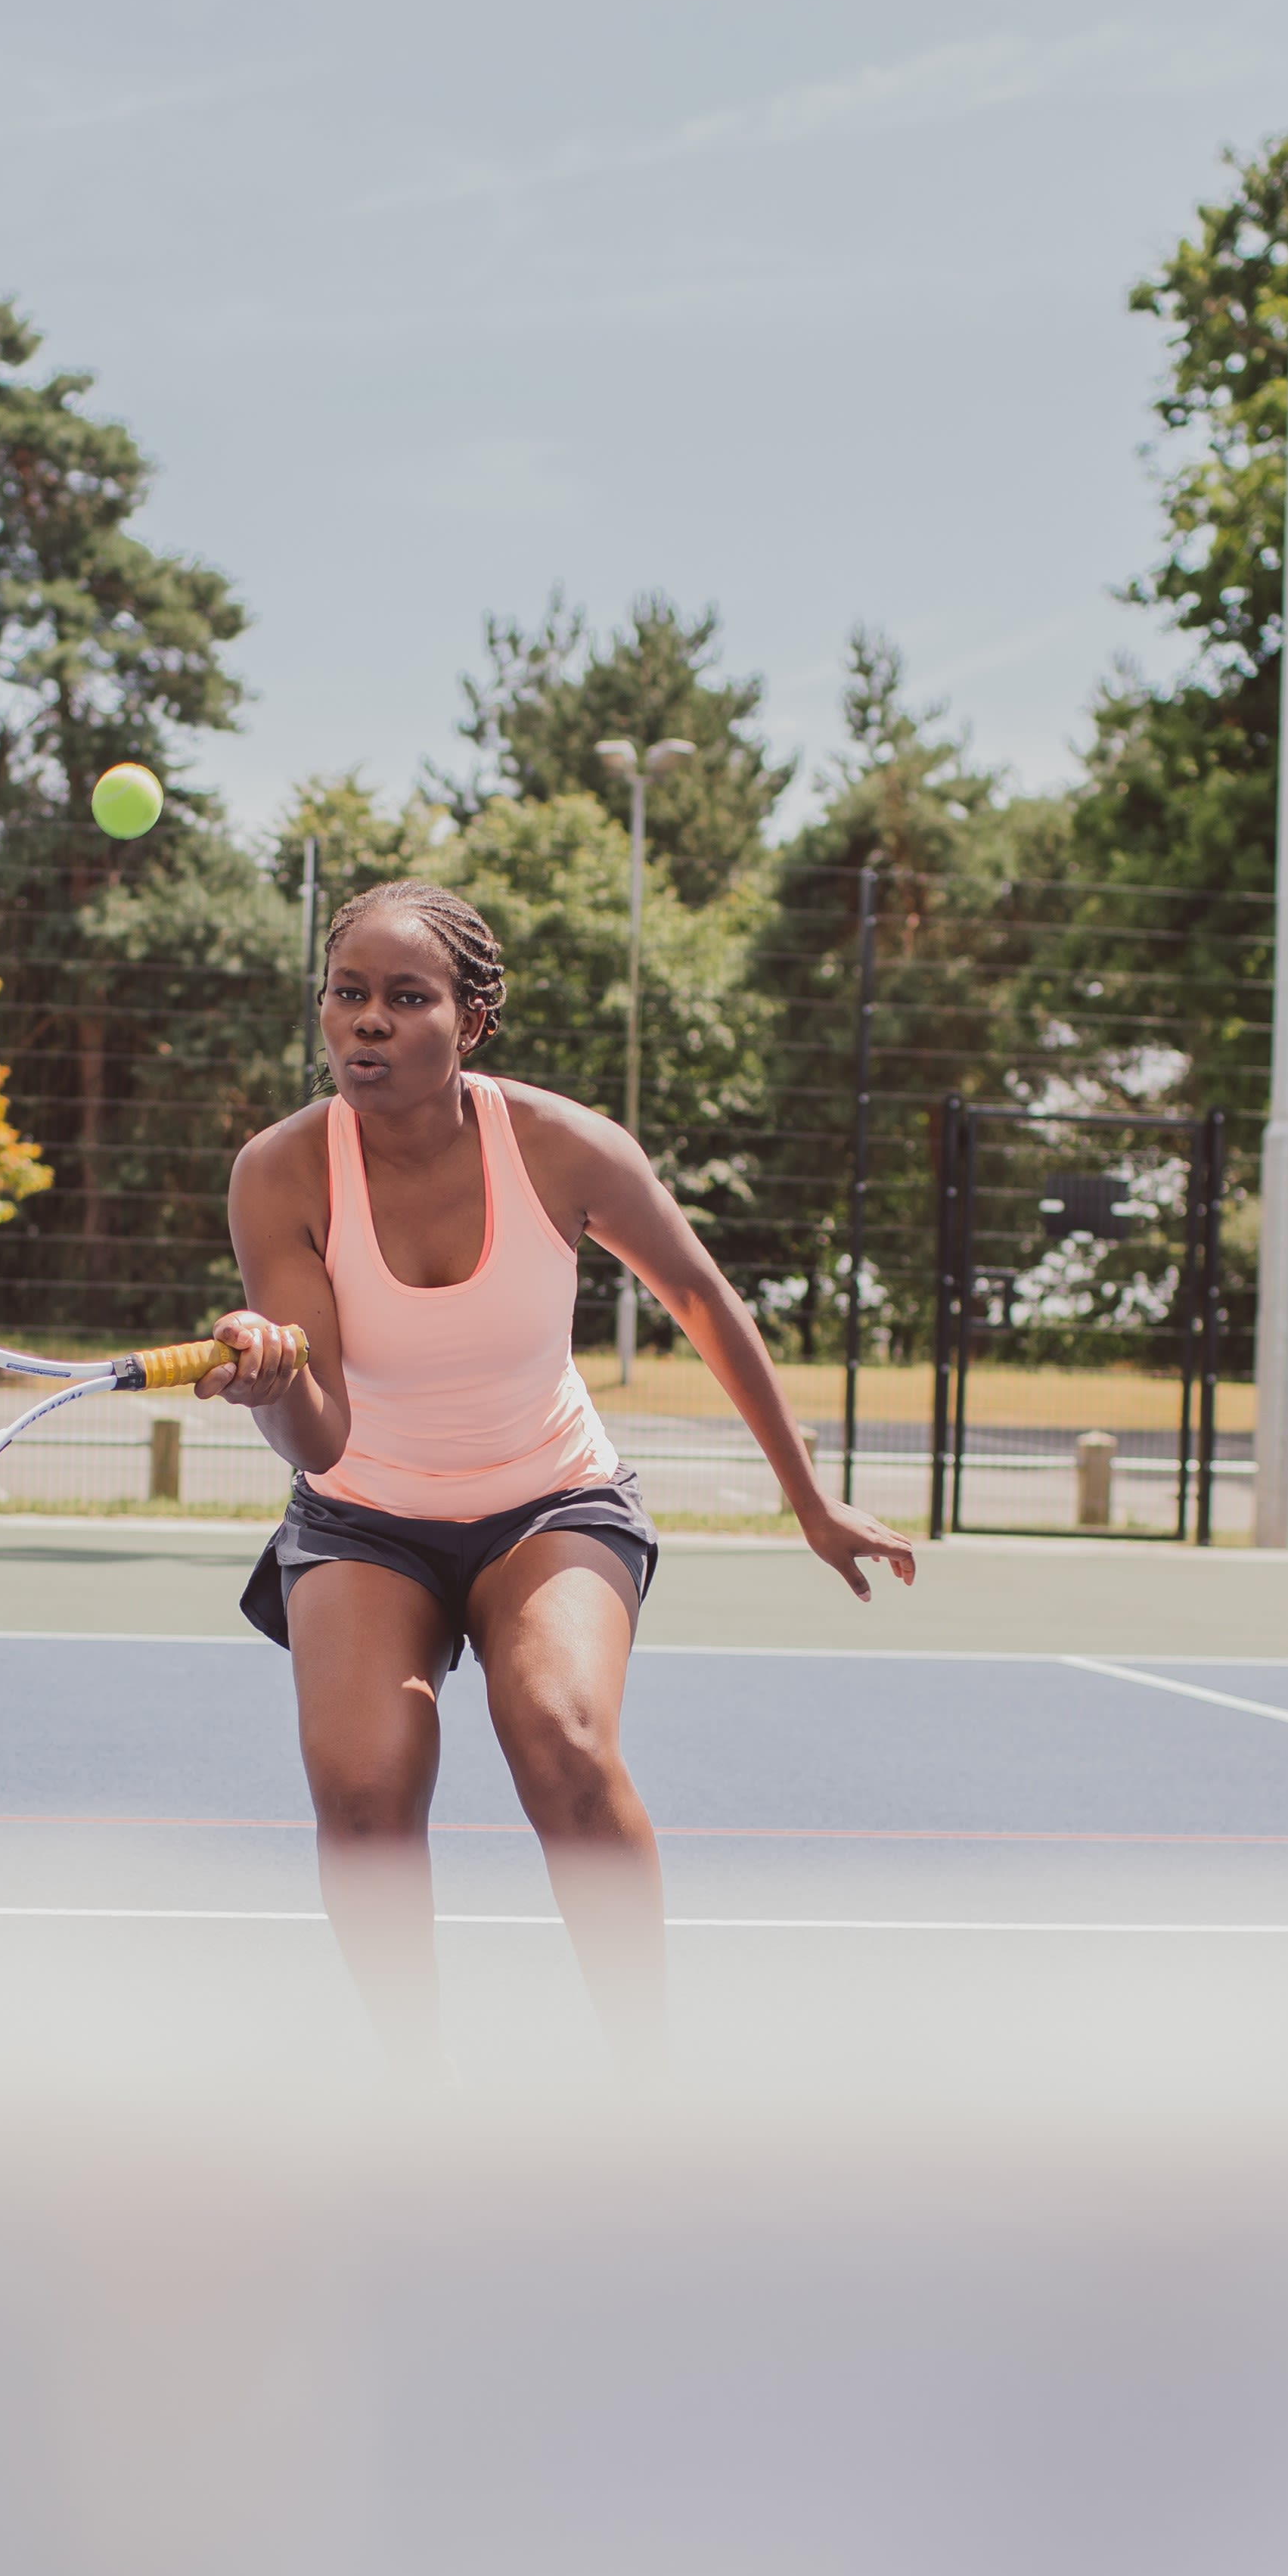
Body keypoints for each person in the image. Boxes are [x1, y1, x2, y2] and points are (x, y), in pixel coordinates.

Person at [199, 878, 916, 2078]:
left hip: (551, 1502)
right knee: (362, 1790)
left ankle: (646, 2075)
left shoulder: (561, 1146)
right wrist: (270, 1380)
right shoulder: (280, 1171)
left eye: (406, 998)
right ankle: (416, 2083)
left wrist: (809, 1498)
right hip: (362, 1514)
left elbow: (701, 1301)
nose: (367, 1020)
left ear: (470, 1021)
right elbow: (320, 1441)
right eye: (346, 994)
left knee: (562, 1740)